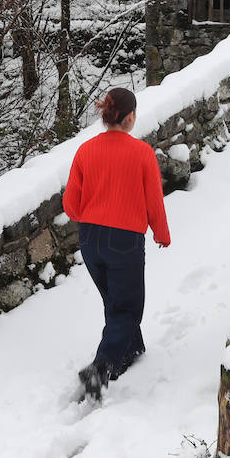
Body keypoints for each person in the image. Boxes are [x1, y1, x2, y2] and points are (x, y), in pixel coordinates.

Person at [63, 87, 172, 402]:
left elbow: (71, 203)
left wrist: (93, 216)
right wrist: (161, 232)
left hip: (90, 237)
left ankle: (130, 350)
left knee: (115, 299)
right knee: (127, 306)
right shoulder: (141, 153)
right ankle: (100, 367)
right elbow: (154, 200)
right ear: (129, 117)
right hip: (124, 239)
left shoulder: (85, 150)